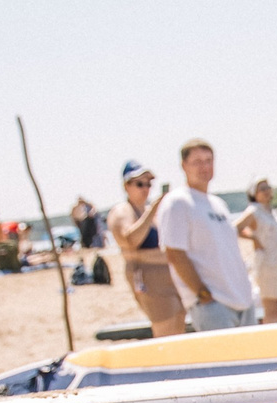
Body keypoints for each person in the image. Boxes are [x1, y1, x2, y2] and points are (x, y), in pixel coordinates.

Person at [161, 138, 255, 331]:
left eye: (208, 160)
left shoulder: (218, 204)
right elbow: (175, 254)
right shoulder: (178, 203)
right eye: (197, 162)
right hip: (213, 305)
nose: (204, 167)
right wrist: (203, 295)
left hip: (243, 302)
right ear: (184, 166)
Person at [108, 161, 183, 333]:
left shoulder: (148, 210)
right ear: (126, 186)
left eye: (148, 184)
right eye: (140, 184)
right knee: (165, 329)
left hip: (169, 276)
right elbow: (130, 241)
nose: (145, 188)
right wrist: (152, 211)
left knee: (178, 327)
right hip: (148, 277)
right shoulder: (122, 211)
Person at [235, 177, 277, 323]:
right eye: (262, 189)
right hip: (267, 263)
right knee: (271, 308)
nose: (266, 191)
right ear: (255, 193)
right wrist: (253, 239)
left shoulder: (272, 212)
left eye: (268, 188)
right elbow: (235, 228)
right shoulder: (254, 211)